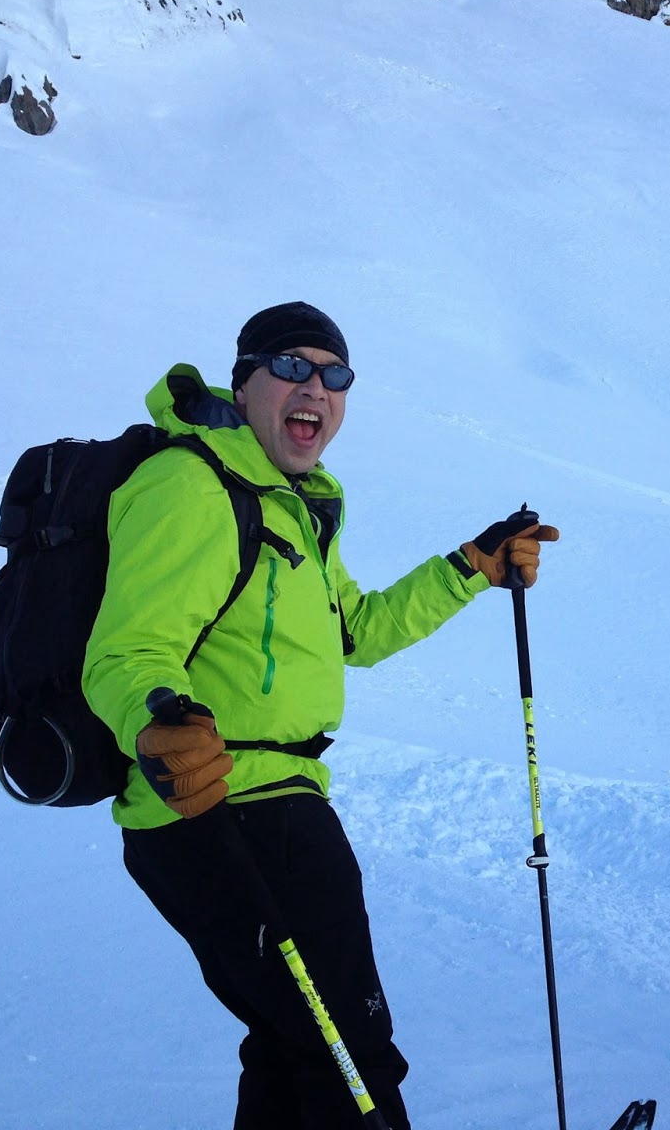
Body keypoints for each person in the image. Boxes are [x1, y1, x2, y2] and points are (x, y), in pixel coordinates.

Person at [82, 301, 558, 1129]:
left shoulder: (293, 504)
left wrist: (471, 568)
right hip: (221, 805)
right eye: (292, 367)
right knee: (351, 1056)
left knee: (296, 1045)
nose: (316, 389)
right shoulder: (190, 483)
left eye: (335, 376)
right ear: (245, 384)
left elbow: (356, 631)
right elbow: (126, 650)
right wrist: (158, 720)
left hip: (279, 802)